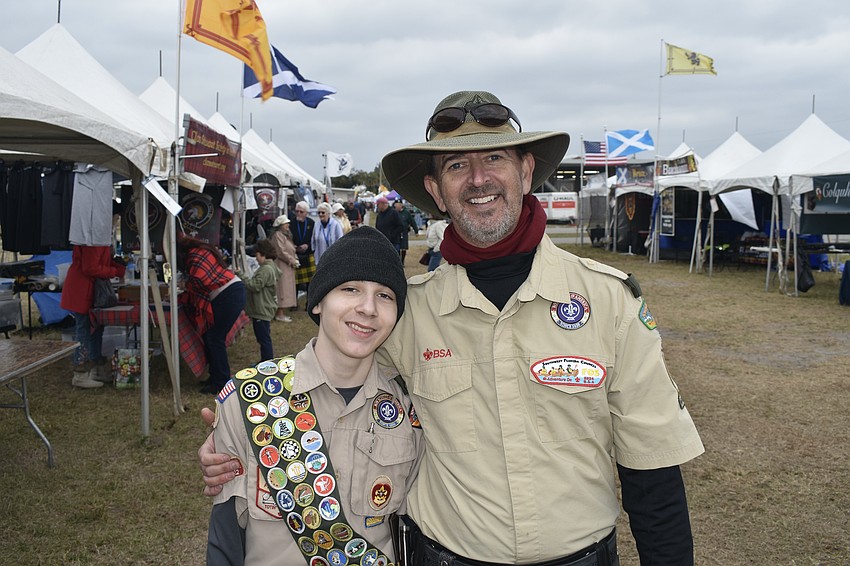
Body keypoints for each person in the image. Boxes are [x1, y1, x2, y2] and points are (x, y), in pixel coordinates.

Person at [200, 90, 704, 565]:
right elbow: (336, 386)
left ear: (526, 172)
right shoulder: (406, 314)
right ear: (435, 190)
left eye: (495, 159)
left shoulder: (610, 301)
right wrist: (246, 431)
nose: (478, 179)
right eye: (457, 165)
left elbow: (653, 471)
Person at [206, 226, 422, 566]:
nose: (368, 308)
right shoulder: (252, 399)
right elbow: (225, 538)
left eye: (385, 296)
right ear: (318, 301)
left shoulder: (408, 410)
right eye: (350, 289)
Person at [176, 235, 246, 395]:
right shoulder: (200, 251)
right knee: (211, 337)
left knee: (215, 339)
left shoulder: (194, 256)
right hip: (231, 291)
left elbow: (201, 280)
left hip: (228, 294)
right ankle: (216, 377)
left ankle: (221, 382)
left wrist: (185, 285)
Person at [60, 244, 126, 389]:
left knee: (97, 328)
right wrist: (114, 270)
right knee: (84, 331)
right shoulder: (92, 240)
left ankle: (96, 367)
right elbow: (90, 267)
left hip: (90, 290)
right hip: (82, 290)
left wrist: (115, 265)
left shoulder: (97, 237)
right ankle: (80, 373)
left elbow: (98, 263)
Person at [236, 238, 281, 363]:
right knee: (264, 337)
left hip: (262, 308)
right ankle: (266, 360)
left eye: (256, 255)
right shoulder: (270, 267)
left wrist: (241, 276)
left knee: (263, 339)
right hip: (265, 307)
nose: (256, 258)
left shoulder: (265, 269)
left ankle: (267, 362)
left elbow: (255, 286)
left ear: (263, 254)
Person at [269, 215, 298, 322]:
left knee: (285, 288)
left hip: (286, 265)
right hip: (281, 265)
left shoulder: (284, 235)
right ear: (280, 225)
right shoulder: (277, 235)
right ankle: (279, 314)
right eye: (286, 223)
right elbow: (280, 251)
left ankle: (281, 312)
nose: (288, 225)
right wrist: (292, 260)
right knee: (281, 288)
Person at [290, 201, 316, 302]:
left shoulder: (311, 223)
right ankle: (294, 302)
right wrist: (293, 246)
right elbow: (287, 238)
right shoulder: (291, 223)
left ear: (306, 213)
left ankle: (308, 302)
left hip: (308, 253)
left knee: (310, 281)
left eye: (301, 212)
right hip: (295, 255)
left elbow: (314, 238)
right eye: (297, 211)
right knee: (295, 282)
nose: (299, 214)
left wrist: (308, 245)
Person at [393, 199, 419, 265]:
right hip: (396, 233)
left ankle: (402, 262)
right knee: (397, 247)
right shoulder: (393, 213)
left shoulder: (406, 213)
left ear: (401, 205)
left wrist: (416, 231)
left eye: (398, 205)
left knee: (403, 248)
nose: (396, 206)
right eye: (395, 205)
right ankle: (397, 262)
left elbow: (412, 222)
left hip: (404, 232)